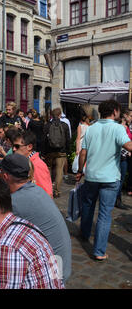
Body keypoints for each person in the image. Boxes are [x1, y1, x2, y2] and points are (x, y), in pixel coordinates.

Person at [0, 154, 72, 282]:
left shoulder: (16, 201)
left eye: (0, 173)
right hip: (61, 265)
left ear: (5, 177)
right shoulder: (36, 190)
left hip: (53, 275)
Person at [76, 99, 132, 261]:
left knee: (88, 206)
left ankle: (85, 234)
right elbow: (129, 146)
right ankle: (99, 251)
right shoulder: (118, 128)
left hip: (92, 175)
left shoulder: (92, 129)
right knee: (105, 214)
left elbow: (83, 153)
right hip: (110, 177)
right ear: (114, 111)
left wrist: (80, 171)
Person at [12, 131, 53, 198]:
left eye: (17, 146)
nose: (13, 149)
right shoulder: (25, 161)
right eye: (13, 146)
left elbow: (47, 194)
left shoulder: (37, 165)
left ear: (29, 146)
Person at [43, 108, 71, 198]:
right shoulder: (65, 125)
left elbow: (44, 140)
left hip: (49, 151)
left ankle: (48, 189)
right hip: (61, 152)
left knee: (48, 170)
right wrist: (68, 150)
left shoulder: (47, 125)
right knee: (59, 171)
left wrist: (43, 152)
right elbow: (68, 140)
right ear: (60, 115)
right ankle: (57, 191)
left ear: (51, 115)